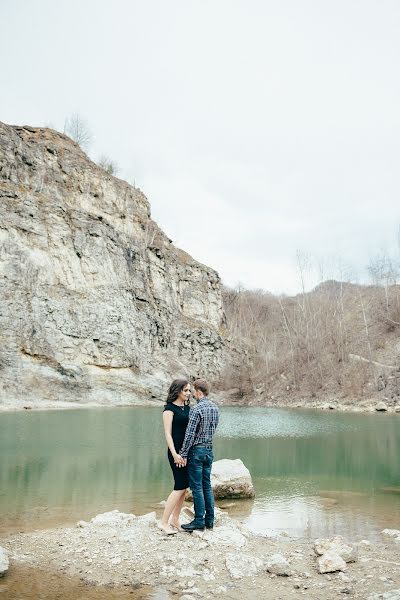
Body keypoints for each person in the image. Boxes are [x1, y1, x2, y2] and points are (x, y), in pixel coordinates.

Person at [178, 379, 219, 532]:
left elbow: (189, 434)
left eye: (193, 391)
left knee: (196, 487)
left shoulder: (196, 409)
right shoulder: (215, 408)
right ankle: (210, 520)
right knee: (207, 486)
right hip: (209, 450)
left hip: (196, 451)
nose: (192, 393)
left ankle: (198, 520)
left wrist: (183, 453)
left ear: (198, 391)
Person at [159, 378, 191, 535]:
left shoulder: (187, 408)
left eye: (189, 390)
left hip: (186, 452)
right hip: (176, 452)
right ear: (178, 391)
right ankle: (164, 522)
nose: (188, 393)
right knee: (179, 487)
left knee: (184, 487)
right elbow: (167, 434)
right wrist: (175, 454)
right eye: (186, 390)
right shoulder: (169, 410)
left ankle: (175, 519)